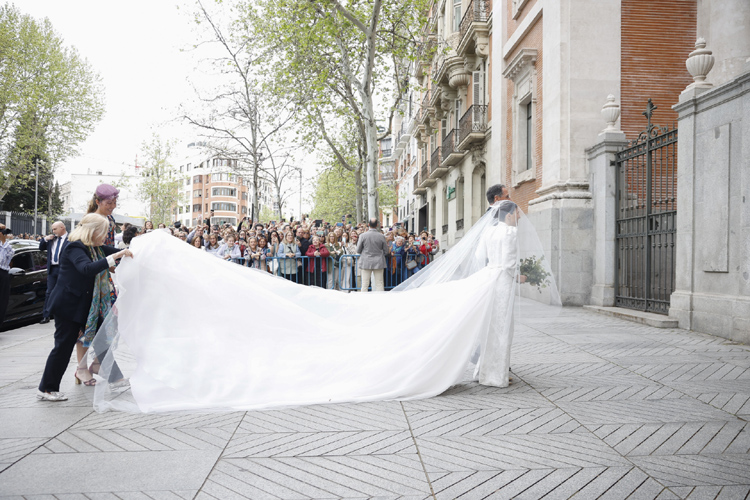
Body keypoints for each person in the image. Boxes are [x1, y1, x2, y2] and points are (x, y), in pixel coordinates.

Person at [37, 214, 132, 401]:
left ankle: (115, 378)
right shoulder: (75, 247)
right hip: (68, 306)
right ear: (93, 231)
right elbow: (86, 268)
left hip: (87, 307)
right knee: (63, 347)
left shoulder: (95, 248)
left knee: (102, 340)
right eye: (103, 232)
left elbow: (124, 252)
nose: (105, 237)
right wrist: (116, 255)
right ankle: (46, 389)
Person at [38, 221, 69, 324]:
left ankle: (64, 314)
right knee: (49, 292)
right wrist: (45, 239)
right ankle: (46, 315)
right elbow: (41, 247)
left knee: (64, 292)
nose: (53, 231)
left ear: (62, 228)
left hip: (64, 269)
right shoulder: (51, 239)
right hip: (52, 269)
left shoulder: (71, 239)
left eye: (55, 229)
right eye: (52, 229)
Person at [356, 218, 389, 292]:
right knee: (379, 284)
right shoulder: (381, 236)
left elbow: (358, 250)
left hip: (366, 261)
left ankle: (363, 302)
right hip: (379, 262)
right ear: (377, 225)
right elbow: (386, 251)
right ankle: (380, 301)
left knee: (364, 284)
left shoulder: (363, 236)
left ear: (368, 225)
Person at [0, 223, 13, 327]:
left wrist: (3, 240)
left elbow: (7, 256)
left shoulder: (7, 246)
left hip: (2, 274)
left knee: (2, 303)